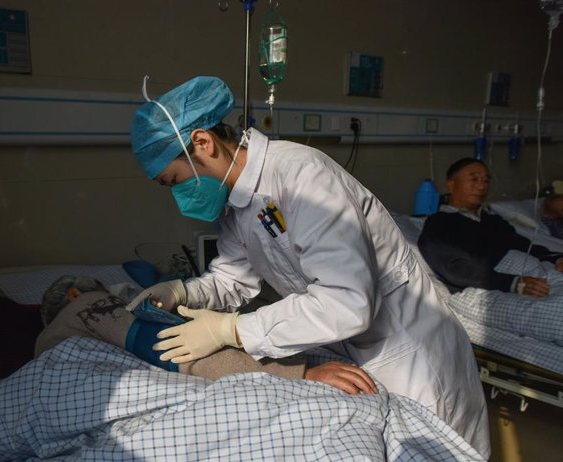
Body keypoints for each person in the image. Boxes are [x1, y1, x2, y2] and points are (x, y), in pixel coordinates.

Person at [128, 76, 490, 458]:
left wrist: (230, 329)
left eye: (174, 180)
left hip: (412, 352)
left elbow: (346, 301)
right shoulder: (236, 205)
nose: (179, 194)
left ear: (203, 143)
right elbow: (231, 279)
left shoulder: (301, 176)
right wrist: (181, 292)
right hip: (355, 350)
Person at [35, 275, 378, 394]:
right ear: (76, 295)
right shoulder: (86, 306)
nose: (113, 298)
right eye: (102, 290)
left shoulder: (42, 346)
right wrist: (300, 374)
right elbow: (177, 355)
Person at [418, 158, 563, 297]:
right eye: (474, 179)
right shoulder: (439, 224)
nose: (482, 186)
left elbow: (523, 245)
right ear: (451, 185)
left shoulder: (492, 220)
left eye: (486, 181)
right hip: (487, 290)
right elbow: (456, 269)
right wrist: (514, 283)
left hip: (530, 276)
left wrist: (556, 259)